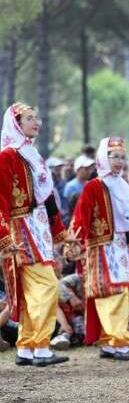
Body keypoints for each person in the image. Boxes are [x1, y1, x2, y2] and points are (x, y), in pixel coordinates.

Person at [69, 137, 129, 361]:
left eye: (122, 157)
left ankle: (111, 343)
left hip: (119, 249)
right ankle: (118, 342)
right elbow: (81, 218)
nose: (119, 161)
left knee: (124, 292)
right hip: (100, 249)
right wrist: (74, 244)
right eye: (114, 156)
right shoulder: (93, 186)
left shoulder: (125, 188)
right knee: (110, 293)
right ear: (103, 158)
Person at [0, 103, 74, 367]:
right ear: (16, 123)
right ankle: (41, 346)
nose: (37, 122)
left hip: (39, 226)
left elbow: (47, 199)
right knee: (47, 286)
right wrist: (4, 237)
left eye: (38, 117)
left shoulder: (31, 154)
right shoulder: (8, 155)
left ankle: (27, 348)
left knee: (36, 291)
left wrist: (60, 233)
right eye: (30, 118)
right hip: (21, 230)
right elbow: (1, 200)